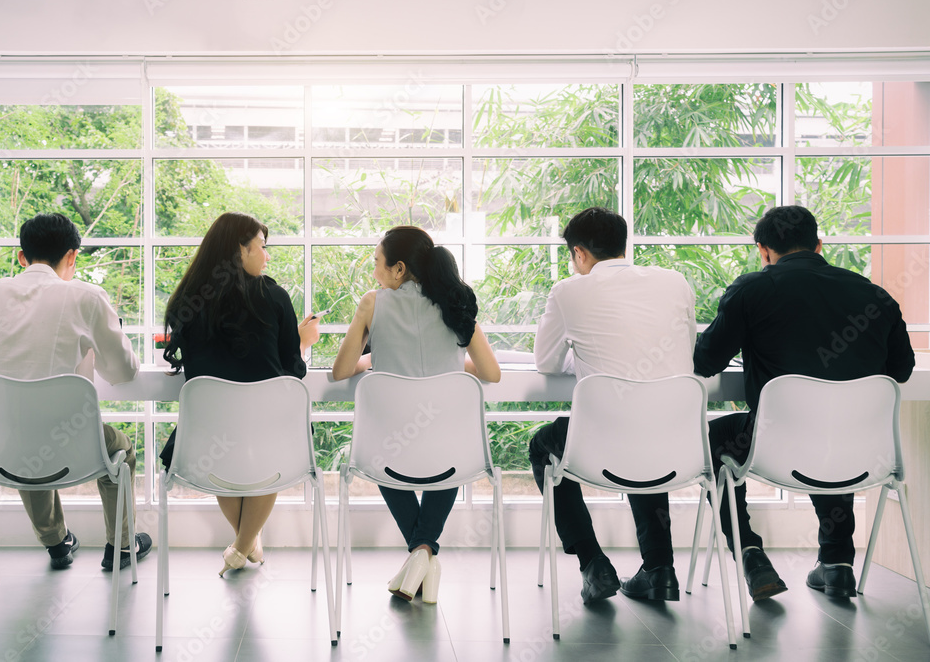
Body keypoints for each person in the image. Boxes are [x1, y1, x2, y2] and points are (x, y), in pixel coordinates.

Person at [694, 205, 915, 601]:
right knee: (832, 425)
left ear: (762, 250)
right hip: (860, 451)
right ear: (819, 244)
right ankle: (837, 563)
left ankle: (750, 553)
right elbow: (901, 372)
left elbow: (704, 362)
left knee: (713, 437)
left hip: (777, 447)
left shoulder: (750, 290)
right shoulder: (874, 295)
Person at [0, 212, 151, 570]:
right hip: (72, 446)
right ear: (72, 256)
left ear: (21, 256)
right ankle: (121, 547)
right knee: (118, 451)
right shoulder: (86, 296)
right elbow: (122, 371)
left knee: (23, 430)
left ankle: (56, 542)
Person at [529, 206, 697, 604]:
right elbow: (685, 350)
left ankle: (593, 563)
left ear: (580, 254)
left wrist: (583, 358)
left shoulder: (568, 291)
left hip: (602, 445)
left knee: (544, 446)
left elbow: (546, 362)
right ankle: (660, 569)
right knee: (643, 434)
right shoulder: (675, 282)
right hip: (676, 442)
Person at [332, 225, 501, 604]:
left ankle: (420, 553)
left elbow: (341, 370)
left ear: (399, 269)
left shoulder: (372, 303)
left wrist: (373, 358)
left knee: (380, 453)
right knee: (450, 455)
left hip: (391, 453)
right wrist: (455, 364)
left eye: (377, 262)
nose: (374, 269)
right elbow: (492, 373)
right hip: (453, 454)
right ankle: (424, 552)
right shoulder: (454, 303)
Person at [161, 211, 322, 577]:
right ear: (240, 251)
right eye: (262, 248)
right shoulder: (274, 296)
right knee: (268, 447)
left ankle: (245, 542)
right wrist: (302, 342)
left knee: (226, 451)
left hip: (207, 443)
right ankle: (243, 544)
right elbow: (291, 373)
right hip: (273, 439)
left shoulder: (188, 301)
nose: (267, 257)